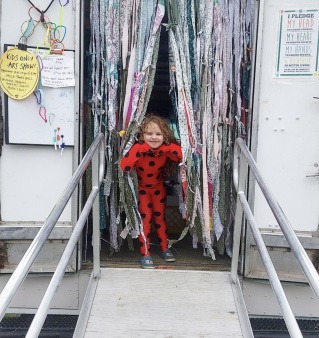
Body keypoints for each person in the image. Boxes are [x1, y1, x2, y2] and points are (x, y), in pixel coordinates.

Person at [120, 115, 182, 269]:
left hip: (158, 189)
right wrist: (140, 148)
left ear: (165, 136)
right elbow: (124, 166)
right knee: (145, 221)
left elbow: (182, 155)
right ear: (142, 135)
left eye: (158, 134)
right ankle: (145, 253)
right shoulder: (138, 149)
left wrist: (166, 147)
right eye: (149, 134)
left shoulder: (164, 151)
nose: (154, 137)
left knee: (160, 219)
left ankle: (164, 248)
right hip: (142, 190)